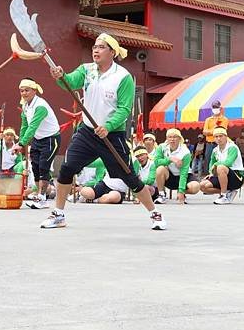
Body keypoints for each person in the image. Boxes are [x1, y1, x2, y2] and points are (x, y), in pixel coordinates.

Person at [47, 33, 166, 229]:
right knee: (67, 168)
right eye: (94, 46)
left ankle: (155, 214)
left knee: (129, 177)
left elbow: (124, 109)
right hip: (87, 131)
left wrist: (108, 126)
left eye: (101, 47)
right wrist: (60, 77)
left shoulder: (123, 77)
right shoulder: (86, 70)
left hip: (112, 135)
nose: (96, 50)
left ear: (112, 52)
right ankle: (58, 214)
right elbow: (69, 82)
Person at [11, 78, 61, 209]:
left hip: (51, 139)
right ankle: (39, 195)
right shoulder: (25, 105)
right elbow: (24, 126)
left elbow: (33, 126)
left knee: (44, 167)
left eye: (27, 90)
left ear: (34, 90)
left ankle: (42, 198)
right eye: (22, 91)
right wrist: (20, 143)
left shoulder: (41, 106)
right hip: (38, 140)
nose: (24, 93)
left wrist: (22, 143)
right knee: (36, 167)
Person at [154, 128, 200, 204]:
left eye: (175, 137)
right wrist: (170, 159)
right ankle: (161, 195)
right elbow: (156, 162)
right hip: (170, 176)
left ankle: (181, 193)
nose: (172, 139)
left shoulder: (185, 152)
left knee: (196, 186)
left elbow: (184, 173)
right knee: (160, 168)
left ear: (179, 138)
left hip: (184, 176)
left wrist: (181, 190)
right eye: (170, 137)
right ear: (167, 138)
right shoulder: (161, 147)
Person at [199, 127, 244, 204]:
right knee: (202, 185)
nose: (218, 138)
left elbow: (228, 163)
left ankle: (223, 196)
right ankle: (229, 192)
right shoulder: (215, 150)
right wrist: (211, 173)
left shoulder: (232, 147)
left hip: (236, 177)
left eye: (221, 136)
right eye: (216, 137)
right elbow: (211, 163)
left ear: (226, 137)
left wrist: (216, 165)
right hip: (222, 176)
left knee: (220, 167)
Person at [202, 100, 229, 173]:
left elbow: (222, 131)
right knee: (208, 160)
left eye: (216, 107)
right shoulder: (208, 120)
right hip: (209, 144)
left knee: (220, 160)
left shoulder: (224, 119)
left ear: (220, 108)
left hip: (219, 144)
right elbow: (204, 132)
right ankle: (209, 175)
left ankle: (219, 175)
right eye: (214, 107)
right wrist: (214, 130)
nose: (215, 109)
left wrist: (211, 132)